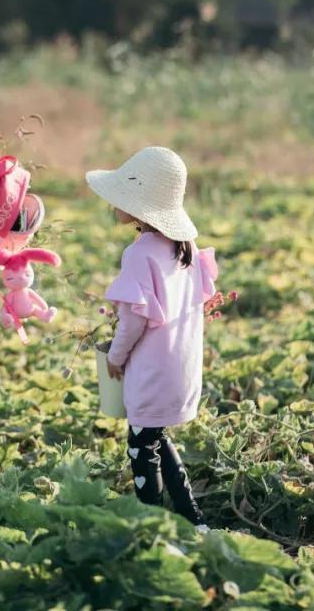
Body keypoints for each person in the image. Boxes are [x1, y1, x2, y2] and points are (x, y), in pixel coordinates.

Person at [85, 146, 218, 530]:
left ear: (141, 208)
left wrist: (116, 358)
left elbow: (131, 323)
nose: (113, 204)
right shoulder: (185, 249)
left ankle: (153, 525)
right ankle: (193, 520)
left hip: (151, 372)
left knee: (141, 449)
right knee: (155, 438)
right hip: (182, 367)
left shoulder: (140, 254)